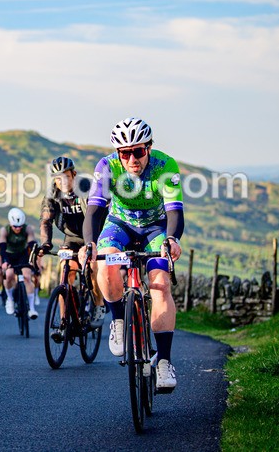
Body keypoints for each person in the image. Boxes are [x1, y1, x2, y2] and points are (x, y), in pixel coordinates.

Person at [81, 117, 184, 391]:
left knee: (160, 285)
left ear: (148, 147)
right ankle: (117, 318)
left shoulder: (165, 166)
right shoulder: (107, 166)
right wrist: (90, 244)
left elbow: (174, 210)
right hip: (120, 225)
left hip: (156, 228)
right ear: (118, 154)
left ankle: (163, 361)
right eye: (125, 153)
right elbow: (94, 210)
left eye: (138, 151)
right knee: (105, 265)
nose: (132, 159)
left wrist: (171, 239)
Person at [39, 156, 106, 330]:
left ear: (74, 174)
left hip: (92, 234)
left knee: (91, 268)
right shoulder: (52, 194)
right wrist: (46, 244)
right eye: (57, 177)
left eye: (65, 176)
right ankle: (63, 321)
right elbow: (46, 221)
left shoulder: (85, 187)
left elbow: (94, 216)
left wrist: (91, 243)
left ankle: (99, 306)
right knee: (65, 272)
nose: (62, 181)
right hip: (71, 238)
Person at [0, 207, 39, 319]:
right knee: (8, 275)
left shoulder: (28, 229)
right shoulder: (5, 230)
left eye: (20, 226)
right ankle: (10, 299)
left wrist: (34, 257)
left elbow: (31, 243)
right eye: (15, 227)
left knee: (27, 276)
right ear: (11, 224)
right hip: (9, 255)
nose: (18, 229)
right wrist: (5, 262)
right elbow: (2, 248)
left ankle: (31, 309)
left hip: (22, 255)